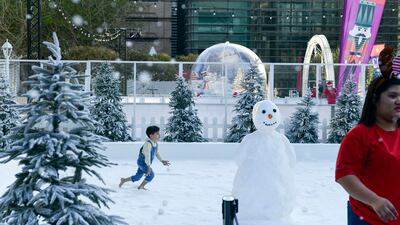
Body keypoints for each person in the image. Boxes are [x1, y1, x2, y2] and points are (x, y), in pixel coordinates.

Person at [335, 47, 400, 225]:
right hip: (369, 219)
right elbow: (344, 175)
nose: (399, 100)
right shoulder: (359, 135)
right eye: (392, 95)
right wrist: (374, 200)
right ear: (375, 99)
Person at [119, 126, 170, 190]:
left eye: (158, 133)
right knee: (151, 175)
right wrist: (148, 167)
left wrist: (162, 160)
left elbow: (156, 152)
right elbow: (147, 155)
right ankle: (141, 186)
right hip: (143, 163)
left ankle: (123, 180)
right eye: (157, 133)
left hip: (145, 163)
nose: (159, 135)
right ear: (151, 135)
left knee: (137, 177)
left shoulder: (155, 143)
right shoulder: (148, 144)